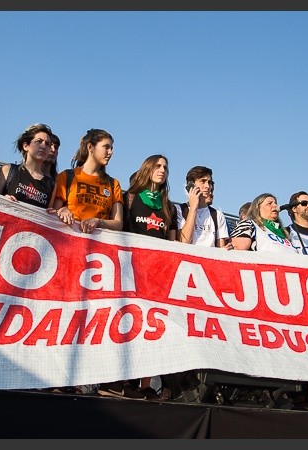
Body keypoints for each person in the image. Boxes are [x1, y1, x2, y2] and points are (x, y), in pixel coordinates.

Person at [117, 154, 178, 401]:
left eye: (166, 167)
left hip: (157, 274)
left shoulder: (169, 206)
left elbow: (173, 244)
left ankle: (145, 385)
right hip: (130, 269)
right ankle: (122, 382)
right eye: (158, 165)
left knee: (152, 327)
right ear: (147, 168)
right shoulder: (128, 197)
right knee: (127, 323)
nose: (162, 170)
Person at [48, 128, 123, 234]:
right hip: (69, 239)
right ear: (90, 147)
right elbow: (52, 213)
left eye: (111, 148)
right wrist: (62, 210)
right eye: (106, 147)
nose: (110, 152)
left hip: (98, 245)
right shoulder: (66, 176)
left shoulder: (113, 184)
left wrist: (98, 222)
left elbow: (118, 224)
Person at [0, 123, 55, 209]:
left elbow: (49, 214)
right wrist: (2, 200)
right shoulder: (8, 170)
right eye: (39, 141)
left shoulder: (52, 184)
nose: (43, 146)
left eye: (47, 144)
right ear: (25, 146)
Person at [175, 165, 230, 249]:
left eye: (209, 182)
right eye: (203, 181)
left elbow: (220, 249)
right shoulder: (179, 210)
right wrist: (193, 207)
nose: (207, 186)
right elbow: (184, 241)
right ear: (191, 185)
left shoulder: (218, 215)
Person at [231, 193, 295, 253]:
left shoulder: (285, 232)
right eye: (269, 203)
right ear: (258, 209)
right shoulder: (249, 224)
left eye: (275, 203)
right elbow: (239, 248)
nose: (275, 206)